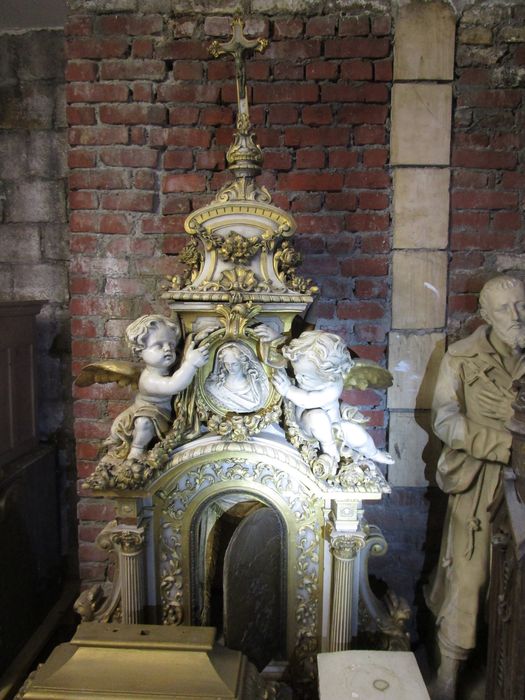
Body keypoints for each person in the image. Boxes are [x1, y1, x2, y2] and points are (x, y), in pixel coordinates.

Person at [425, 275, 525, 700]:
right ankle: (449, 675)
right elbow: (445, 419)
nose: (516, 316)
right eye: (505, 309)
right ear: (485, 315)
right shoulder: (461, 358)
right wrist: (503, 446)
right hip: (479, 481)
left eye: (521, 305)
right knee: (469, 577)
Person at [271, 330, 394, 471]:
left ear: (328, 377)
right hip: (306, 423)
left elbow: (307, 400)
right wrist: (275, 340)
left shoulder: (332, 388)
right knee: (318, 417)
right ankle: (329, 451)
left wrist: (287, 390)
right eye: (296, 371)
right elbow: (287, 356)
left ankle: (374, 453)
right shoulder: (307, 363)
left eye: (305, 376)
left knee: (359, 435)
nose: (298, 378)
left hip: (335, 425)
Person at [107, 314, 209, 460]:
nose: (167, 349)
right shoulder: (149, 380)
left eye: (171, 345)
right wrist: (191, 364)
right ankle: (137, 450)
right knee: (144, 424)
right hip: (151, 411)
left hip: (165, 411)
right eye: (159, 345)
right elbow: (174, 385)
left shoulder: (164, 367)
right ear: (139, 351)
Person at [204, 341, 270, 413]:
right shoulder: (214, 387)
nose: (230, 367)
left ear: (242, 362)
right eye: (226, 363)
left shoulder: (255, 387)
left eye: (234, 364)